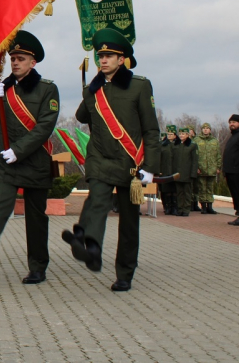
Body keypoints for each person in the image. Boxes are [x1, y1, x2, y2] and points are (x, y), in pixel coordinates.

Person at [62, 28, 160, 292]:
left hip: (130, 162)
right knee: (97, 200)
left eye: (109, 56)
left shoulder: (139, 86)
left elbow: (151, 129)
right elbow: (82, 117)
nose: (103, 60)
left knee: (129, 222)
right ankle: (92, 248)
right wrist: (90, 89)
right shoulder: (94, 89)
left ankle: (125, 273)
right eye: (100, 56)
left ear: (121, 59)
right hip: (100, 157)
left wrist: (150, 167)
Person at [0, 31, 60, 284]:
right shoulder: (2, 88)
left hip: (35, 161)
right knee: (1, 205)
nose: (15, 63)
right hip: (5, 162)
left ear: (33, 62)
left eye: (21, 59)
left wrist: (18, 149)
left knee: (36, 217)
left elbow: (45, 126)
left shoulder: (47, 89)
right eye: (13, 58)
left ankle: (38, 267)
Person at [193, 123, 221, 214]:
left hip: (212, 169)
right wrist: (196, 167)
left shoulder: (214, 141)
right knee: (202, 188)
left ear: (210, 130)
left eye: (207, 128)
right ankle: (203, 207)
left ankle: (210, 207)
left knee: (210, 188)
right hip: (201, 169)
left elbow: (218, 155)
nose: (205, 130)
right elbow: (194, 155)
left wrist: (218, 167)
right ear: (201, 130)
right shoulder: (196, 140)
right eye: (204, 128)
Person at [171, 127, 198, 216]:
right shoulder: (176, 145)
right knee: (179, 193)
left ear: (187, 135)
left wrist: (193, 173)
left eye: (183, 134)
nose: (181, 135)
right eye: (180, 134)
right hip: (177, 173)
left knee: (187, 193)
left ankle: (186, 209)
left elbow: (195, 161)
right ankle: (180, 209)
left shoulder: (192, 145)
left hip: (187, 174)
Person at [159, 125, 179, 215]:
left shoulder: (178, 145)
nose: (169, 136)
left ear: (175, 135)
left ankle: (175, 208)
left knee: (174, 190)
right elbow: (159, 158)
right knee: (166, 190)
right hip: (165, 170)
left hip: (175, 171)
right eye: (168, 134)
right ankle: (167, 207)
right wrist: (159, 170)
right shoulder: (163, 145)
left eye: (171, 134)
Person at [223, 114, 239, 225]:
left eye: (234, 122)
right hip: (230, 171)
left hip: (236, 170)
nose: (231, 124)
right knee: (235, 194)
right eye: (230, 122)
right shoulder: (233, 136)